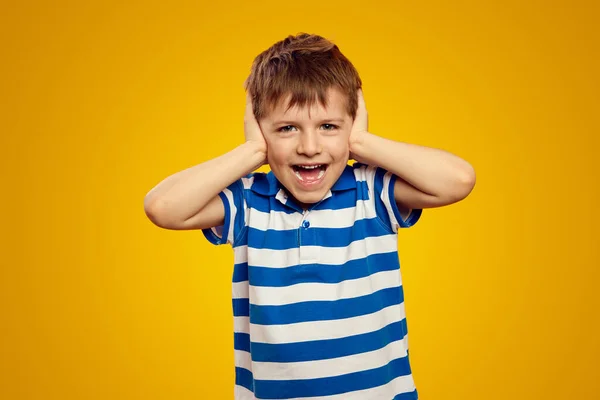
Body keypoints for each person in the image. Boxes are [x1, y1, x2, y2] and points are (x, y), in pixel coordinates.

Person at [144, 33, 476, 400]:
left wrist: (362, 142)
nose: (309, 146)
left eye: (329, 126)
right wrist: (253, 151)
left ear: (352, 126)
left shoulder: (371, 192)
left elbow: (457, 180)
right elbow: (163, 207)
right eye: (287, 128)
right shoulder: (250, 203)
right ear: (260, 129)